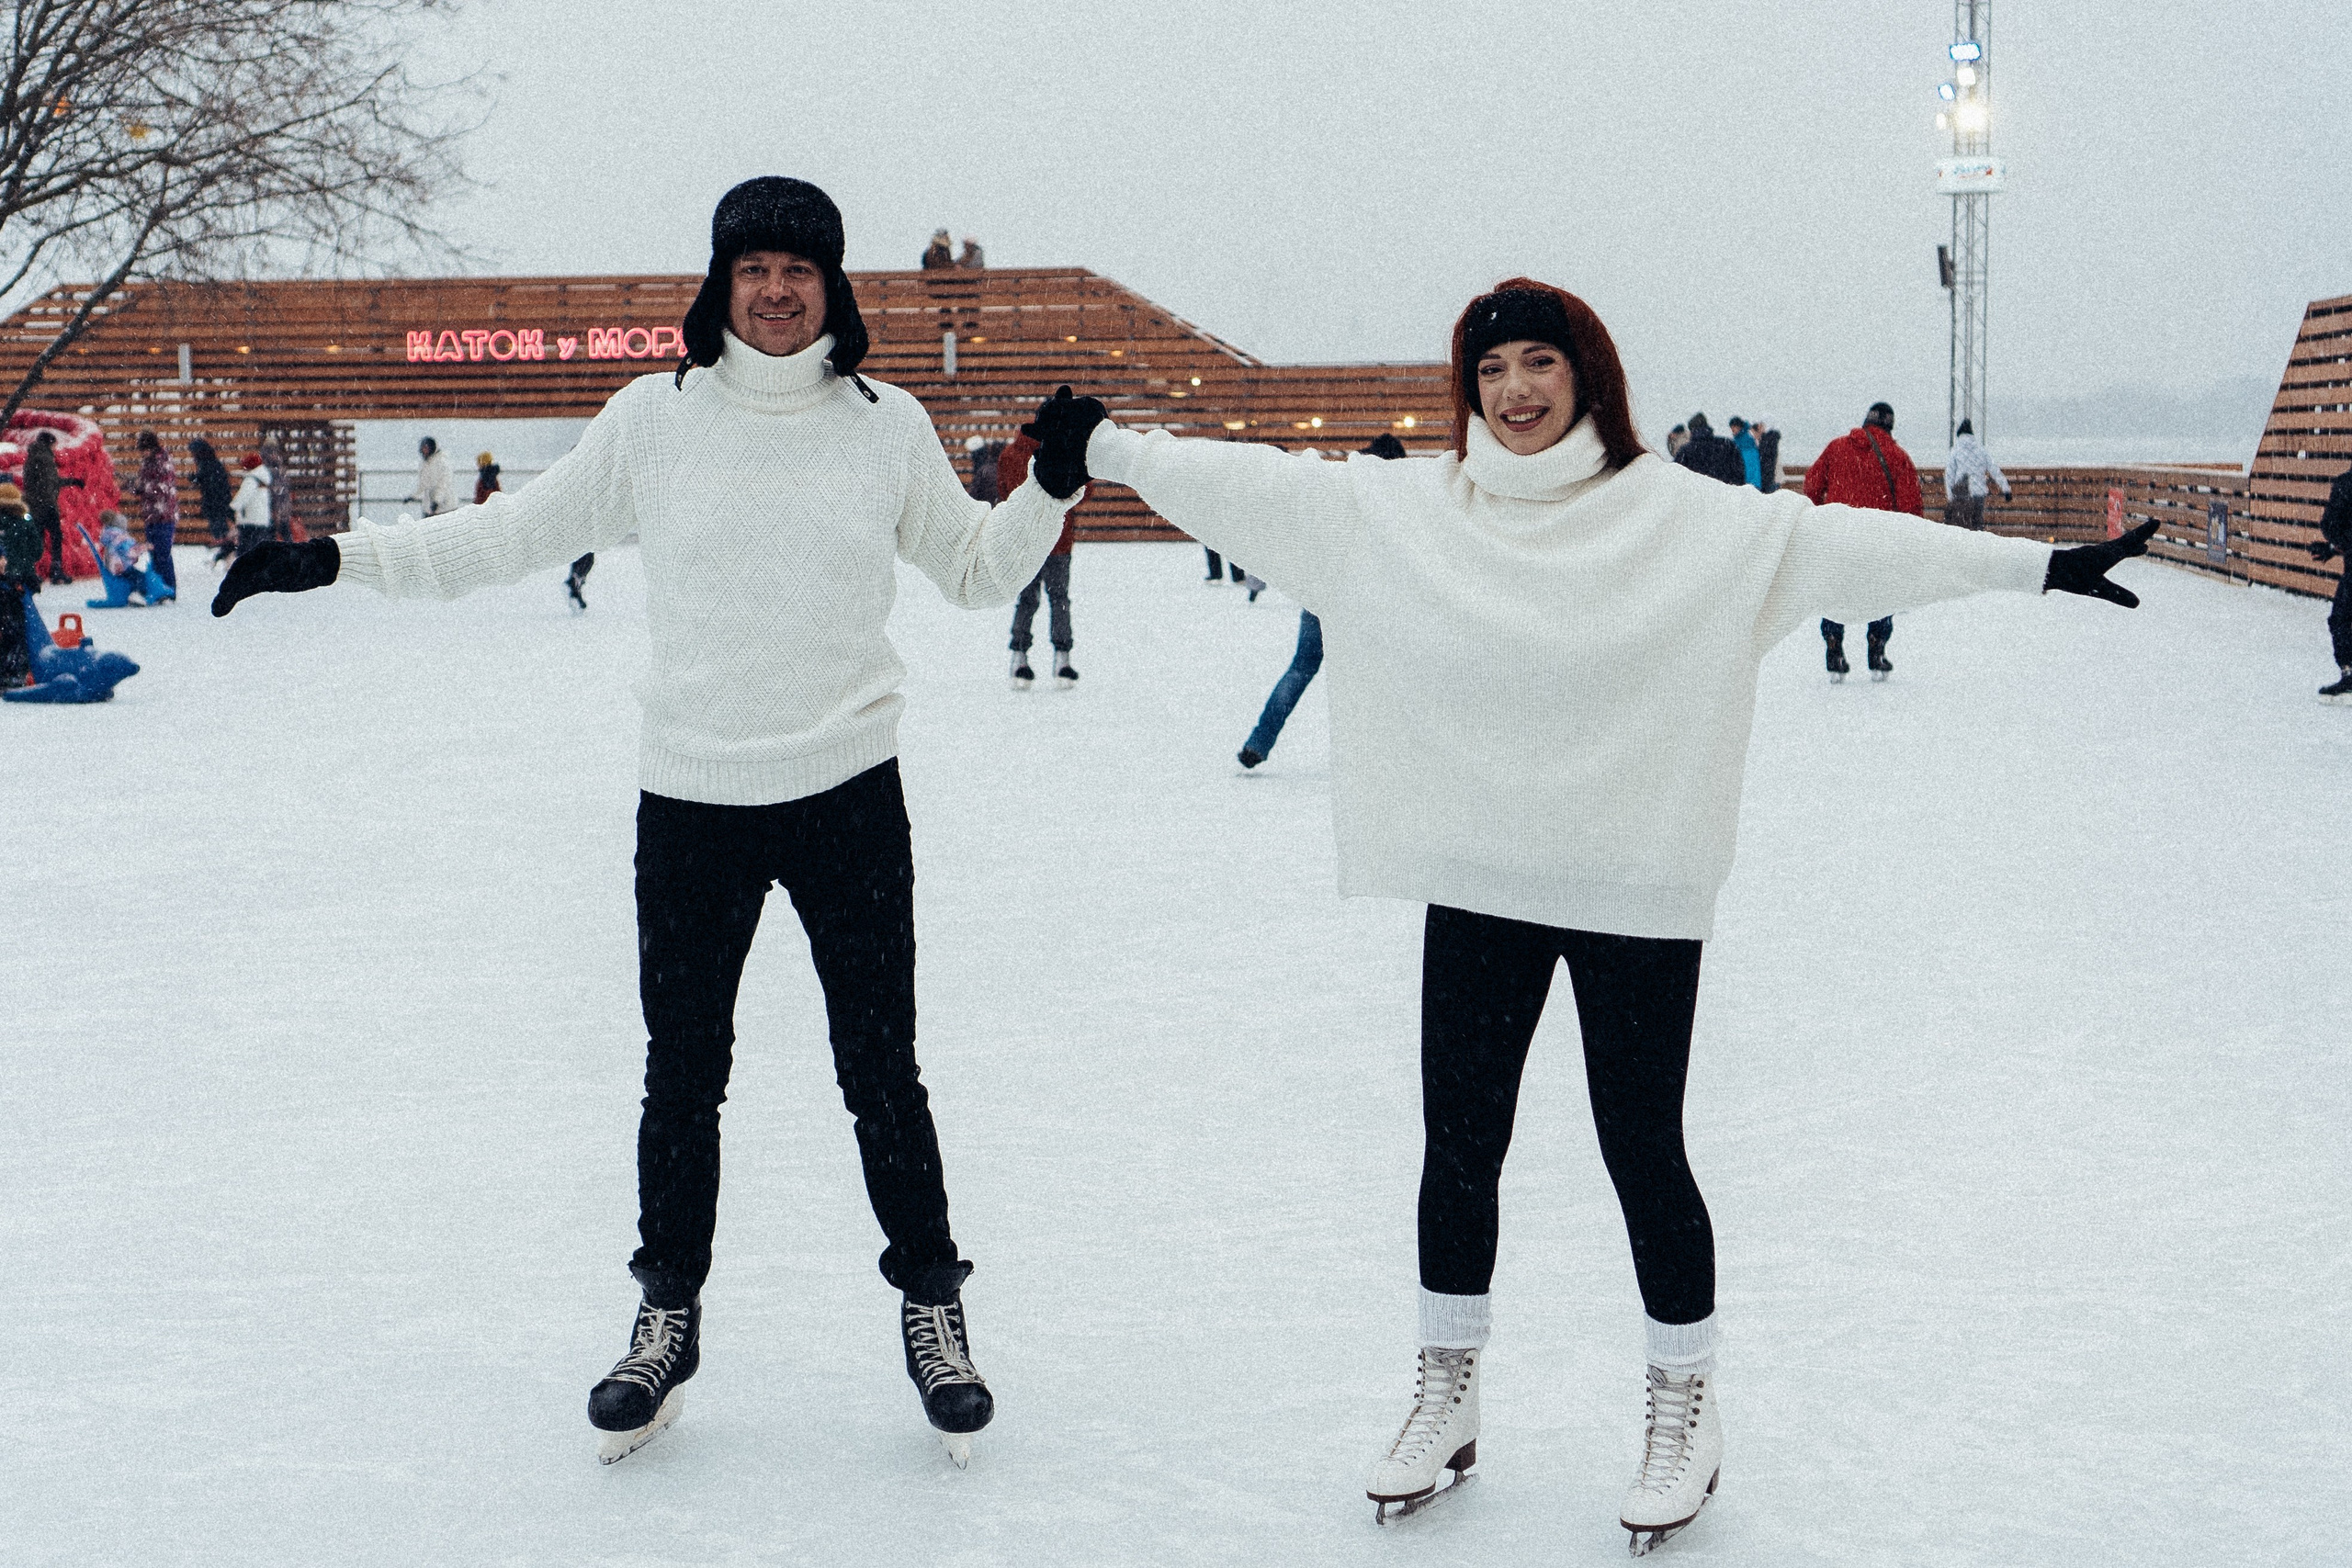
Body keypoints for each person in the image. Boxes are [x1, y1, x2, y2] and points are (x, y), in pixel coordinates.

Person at [1043, 278, 2154, 1552]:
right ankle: (1447, 1391)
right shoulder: (1410, 512)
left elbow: (1850, 547)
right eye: (1492, 369)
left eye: (1537, 364)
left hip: (1633, 880)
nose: (1514, 391)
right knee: (1458, 1148)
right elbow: (1258, 490)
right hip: (1480, 876)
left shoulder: (1683, 517)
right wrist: (1108, 447)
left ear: (1588, 376)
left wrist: (2044, 564)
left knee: (1643, 1149)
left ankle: (1686, 1404)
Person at [212, 175, 1088, 1471]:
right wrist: (333, 555)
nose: (777, 290)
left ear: (833, 286)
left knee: (880, 1066)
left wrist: (1047, 489)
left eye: (799, 268)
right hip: (693, 800)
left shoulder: (882, 422)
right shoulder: (652, 420)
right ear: (720, 286)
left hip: (848, 790)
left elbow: (973, 571)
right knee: (682, 1072)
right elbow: (506, 537)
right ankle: (665, 1316)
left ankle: (933, 1307)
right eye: (754, 270)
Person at [1237, 434, 1408, 770]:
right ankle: (1374, 752)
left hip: (1322, 594)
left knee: (1300, 670)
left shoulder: (1343, 489)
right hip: (1362, 600)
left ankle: (1259, 741)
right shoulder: (1394, 501)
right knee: (1374, 679)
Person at [1805, 402, 1922, 681]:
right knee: (1880, 594)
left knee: (1835, 593)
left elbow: (1812, 485)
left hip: (1838, 536)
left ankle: (1834, 644)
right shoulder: (1898, 456)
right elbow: (1911, 505)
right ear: (1890, 426)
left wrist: (1820, 515)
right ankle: (1877, 647)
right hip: (1878, 539)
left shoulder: (1836, 448)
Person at [1000, 433, 1078, 688]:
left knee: (1027, 599)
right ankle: (1062, 660)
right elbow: (1083, 491)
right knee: (1059, 599)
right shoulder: (1064, 453)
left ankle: (1019, 658)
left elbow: (1004, 492)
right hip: (1057, 540)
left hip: (1025, 540)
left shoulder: (1012, 455)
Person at [2306, 460, 2352, 702]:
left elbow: (2331, 525)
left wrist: (2333, 545)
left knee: (2341, 618)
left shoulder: (2346, 484)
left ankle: (2349, 673)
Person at [24, 429, 85, 584]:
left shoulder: (32, 457)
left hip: (34, 505)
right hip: (46, 505)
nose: (55, 449)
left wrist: (71, 481)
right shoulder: (44, 458)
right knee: (55, 537)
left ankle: (32, 572)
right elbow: (50, 482)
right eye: (54, 446)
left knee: (38, 539)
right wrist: (72, 482)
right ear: (49, 443)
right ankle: (55, 570)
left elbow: (47, 481)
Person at [1942, 418, 2010, 530]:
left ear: (1959, 434)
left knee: (1961, 527)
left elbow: (1949, 475)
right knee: (1977, 525)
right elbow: (1994, 469)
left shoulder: (1955, 450)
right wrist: (2006, 489)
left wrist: (1950, 497)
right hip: (1978, 494)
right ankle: (1979, 543)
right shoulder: (1981, 450)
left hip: (1962, 495)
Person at [136, 431, 181, 595]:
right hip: (150, 515)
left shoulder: (163, 461)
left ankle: (169, 588)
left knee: (163, 554)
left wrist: (142, 488)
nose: (143, 453)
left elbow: (163, 488)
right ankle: (158, 587)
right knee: (154, 554)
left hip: (164, 515)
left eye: (145, 449)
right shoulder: (147, 463)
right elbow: (144, 485)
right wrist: (134, 486)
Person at [0, 482, 36, 685]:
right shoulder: (25, 520)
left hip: (9, 581)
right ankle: (15, 672)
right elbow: (37, 548)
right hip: (19, 580)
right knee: (16, 627)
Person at [190, 438, 236, 564]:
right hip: (218, 503)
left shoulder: (208, 464)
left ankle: (226, 555)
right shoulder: (212, 463)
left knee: (221, 533)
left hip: (216, 504)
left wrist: (197, 479)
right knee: (221, 532)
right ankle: (226, 555)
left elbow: (211, 484)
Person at [1672, 412, 1744, 486]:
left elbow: (1675, 476)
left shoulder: (1685, 451)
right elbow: (1739, 472)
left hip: (1698, 494)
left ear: (1691, 431)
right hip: (1725, 493)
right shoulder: (1727, 444)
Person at [231, 453, 274, 560]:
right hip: (261, 519)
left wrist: (232, 508)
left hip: (249, 519)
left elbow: (243, 497)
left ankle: (245, 571)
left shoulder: (251, 480)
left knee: (245, 549)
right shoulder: (263, 478)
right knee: (256, 547)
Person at [406, 436, 455, 517]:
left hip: (445, 507)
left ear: (432, 448)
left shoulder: (442, 461)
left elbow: (444, 483)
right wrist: (413, 496)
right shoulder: (425, 463)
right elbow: (423, 485)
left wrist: (437, 501)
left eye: (426, 448)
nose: (424, 451)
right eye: (422, 448)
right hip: (429, 507)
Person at [1728, 416, 1762, 489]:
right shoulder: (1741, 437)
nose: (1732, 430)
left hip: (1749, 461)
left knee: (1751, 476)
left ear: (1739, 426)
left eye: (1734, 427)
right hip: (1747, 462)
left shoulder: (1748, 435)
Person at [1754, 418, 1782, 494]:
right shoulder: (1769, 441)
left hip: (1770, 479)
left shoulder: (1766, 442)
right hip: (1770, 478)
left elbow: (1767, 461)